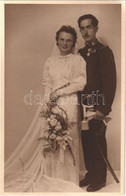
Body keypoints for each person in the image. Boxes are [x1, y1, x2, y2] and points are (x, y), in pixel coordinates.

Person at [4, 25, 86, 192]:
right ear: (57, 41)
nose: (65, 43)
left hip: (69, 102)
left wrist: (60, 92)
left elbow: (80, 82)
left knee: (69, 138)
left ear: (73, 42)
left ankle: (68, 180)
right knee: (52, 138)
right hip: (52, 104)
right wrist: (49, 100)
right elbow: (47, 83)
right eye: (62, 39)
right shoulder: (50, 62)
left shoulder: (78, 60)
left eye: (69, 40)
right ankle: (52, 178)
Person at [77, 14, 116, 192]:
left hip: (98, 104)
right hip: (83, 104)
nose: (85, 31)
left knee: (98, 139)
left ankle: (100, 178)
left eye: (89, 27)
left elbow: (110, 82)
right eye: (82, 28)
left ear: (96, 29)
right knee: (86, 139)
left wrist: (103, 109)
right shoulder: (80, 53)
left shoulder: (104, 51)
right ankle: (91, 173)